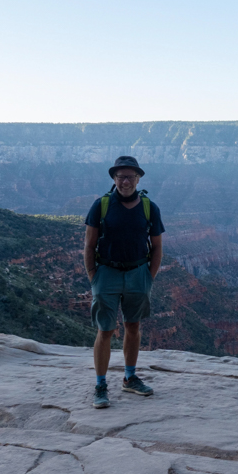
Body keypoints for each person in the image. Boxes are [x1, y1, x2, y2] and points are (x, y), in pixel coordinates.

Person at [84, 155, 165, 408]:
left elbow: (158, 247)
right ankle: (100, 384)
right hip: (106, 273)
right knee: (105, 330)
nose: (125, 181)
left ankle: (129, 378)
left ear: (138, 178)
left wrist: (148, 278)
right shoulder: (101, 205)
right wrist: (93, 276)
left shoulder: (150, 207)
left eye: (130, 176)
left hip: (138, 273)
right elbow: (89, 243)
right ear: (114, 179)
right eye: (121, 176)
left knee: (132, 327)